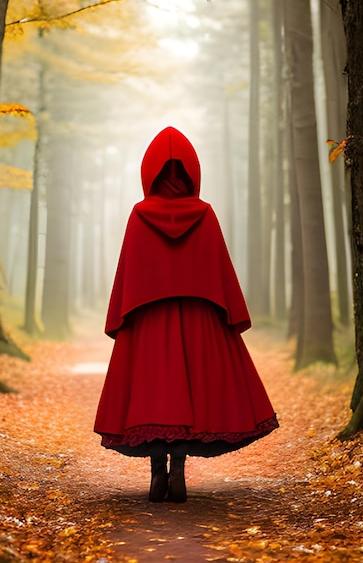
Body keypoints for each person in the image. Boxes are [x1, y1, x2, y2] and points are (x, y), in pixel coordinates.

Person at [94, 126, 278, 503]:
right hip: (199, 319)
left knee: (154, 393)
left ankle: (157, 471)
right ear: (192, 172)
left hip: (149, 322)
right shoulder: (206, 214)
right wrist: (229, 313)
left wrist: (121, 317)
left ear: (150, 172)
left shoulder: (139, 215)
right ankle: (178, 466)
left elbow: (128, 274)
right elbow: (221, 273)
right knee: (193, 390)